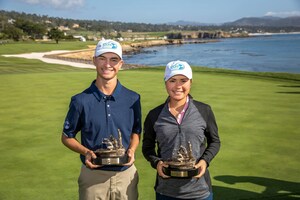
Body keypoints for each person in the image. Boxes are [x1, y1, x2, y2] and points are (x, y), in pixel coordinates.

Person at [61, 39, 142, 200]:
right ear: (94, 61)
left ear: (120, 64)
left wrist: (132, 150)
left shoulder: (133, 98)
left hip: (126, 177)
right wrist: (86, 152)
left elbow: (135, 132)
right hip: (93, 177)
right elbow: (66, 137)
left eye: (114, 59)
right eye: (102, 58)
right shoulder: (80, 100)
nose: (107, 64)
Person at [142, 60, 221, 200]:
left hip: (200, 192)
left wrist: (204, 161)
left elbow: (215, 141)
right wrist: (156, 162)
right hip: (165, 192)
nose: (178, 86)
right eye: (172, 80)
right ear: (165, 83)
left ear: (190, 82)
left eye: (183, 80)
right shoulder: (154, 115)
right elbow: (147, 147)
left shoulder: (204, 110)